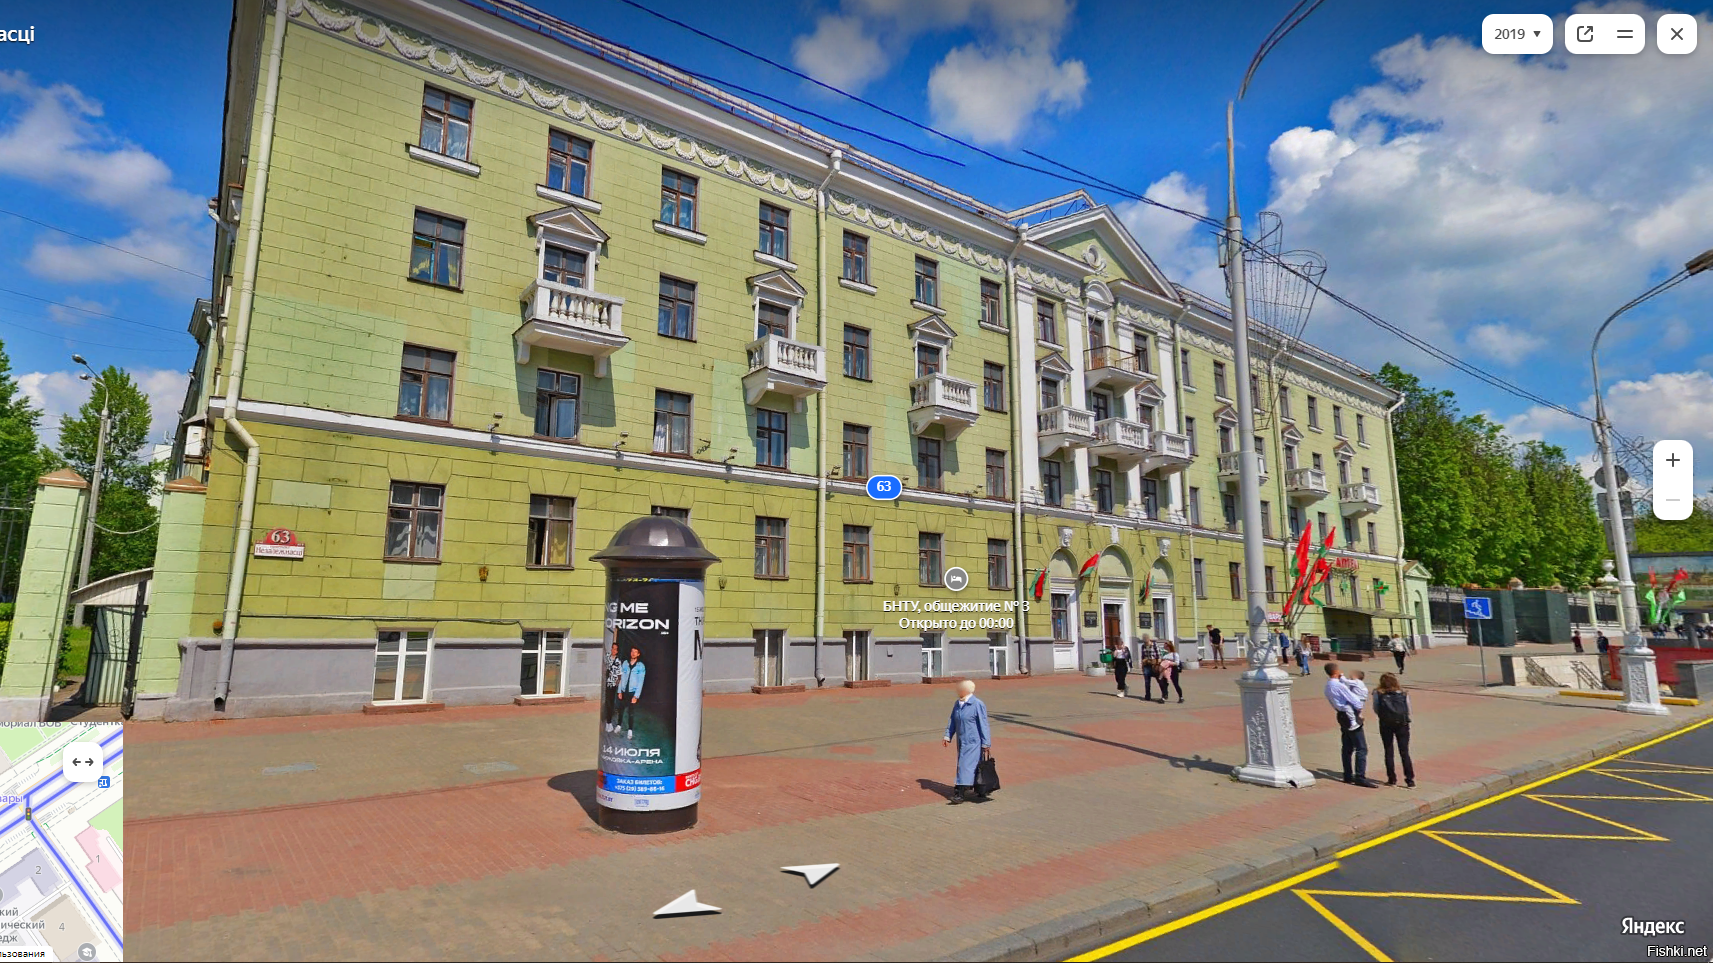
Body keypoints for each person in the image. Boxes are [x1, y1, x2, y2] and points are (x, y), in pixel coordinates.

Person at [1324, 663, 1375, 787]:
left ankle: (1347, 775)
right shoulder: (1339, 685)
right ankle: (1360, 777)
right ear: (1336, 672)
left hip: (1341, 715)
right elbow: (1353, 699)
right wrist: (1359, 708)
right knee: (1361, 747)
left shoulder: (1328, 686)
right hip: (1349, 714)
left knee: (1347, 747)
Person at [942, 679, 992, 803]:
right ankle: (981, 790)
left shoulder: (977, 704)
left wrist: (986, 743)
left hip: (973, 742)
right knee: (972, 766)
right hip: (962, 741)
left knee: (964, 766)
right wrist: (947, 736)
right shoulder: (958, 704)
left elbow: (983, 724)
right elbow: (952, 720)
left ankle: (959, 793)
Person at [1375, 672, 1415, 788]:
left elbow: (1376, 708)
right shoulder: (1403, 693)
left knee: (1388, 751)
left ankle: (1392, 779)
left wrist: (1385, 716)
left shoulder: (1378, 693)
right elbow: (1409, 710)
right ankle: (1410, 780)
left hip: (1385, 724)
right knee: (1404, 752)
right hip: (1402, 724)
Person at [617, 646, 646, 739]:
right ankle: (619, 725)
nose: (633, 653)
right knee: (621, 709)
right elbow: (621, 678)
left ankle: (630, 730)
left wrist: (636, 696)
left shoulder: (640, 666)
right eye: (632, 651)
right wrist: (619, 691)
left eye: (635, 652)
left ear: (638, 654)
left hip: (632, 692)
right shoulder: (625, 663)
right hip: (624, 691)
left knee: (631, 712)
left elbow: (641, 682)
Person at [602, 642, 623, 733]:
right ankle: (608, 722)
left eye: (615, 649)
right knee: (608, 703)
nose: (613, 650)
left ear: (617, 651)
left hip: (613, 685)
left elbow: (620, 674)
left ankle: (609, 722)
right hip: (607, 683)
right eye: (612, 648)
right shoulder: (607, 656)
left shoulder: (618, 661)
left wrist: (617, 683)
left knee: (610, 703)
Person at [1137, 635, 1166, 701]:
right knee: (1147, 682)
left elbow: (1159, 657)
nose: (1145, 643)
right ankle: (1147, 696)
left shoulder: (1155, 645)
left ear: (1149, 640)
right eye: (1144, 642)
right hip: (1146, 666)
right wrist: (1142, 666)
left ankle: (1164, 694)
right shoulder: (1143, 646)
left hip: (1154, 666)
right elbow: (1142, 656)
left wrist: (1157, 664)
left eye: (1146, 642)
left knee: (1159, 680)